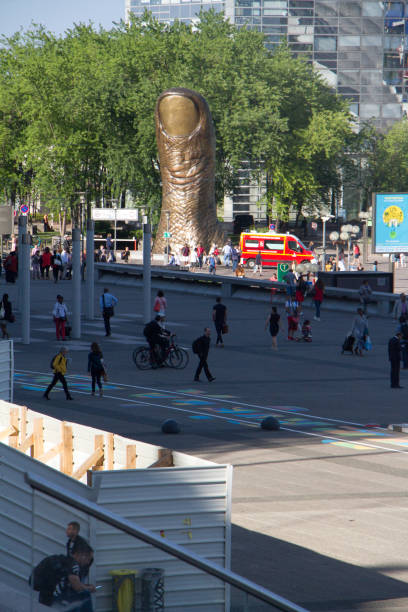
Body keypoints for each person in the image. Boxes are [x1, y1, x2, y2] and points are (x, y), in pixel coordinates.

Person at [53, 542, 96, 610]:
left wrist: (87, 587)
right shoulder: (73, 565)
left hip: (67, 593)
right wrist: (89, 588)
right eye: (88, 559)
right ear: (82, 555)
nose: (88, 562)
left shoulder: (75, 564)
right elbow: (77, 587)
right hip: (61, 596)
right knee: (84, 594)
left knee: (85, 594)